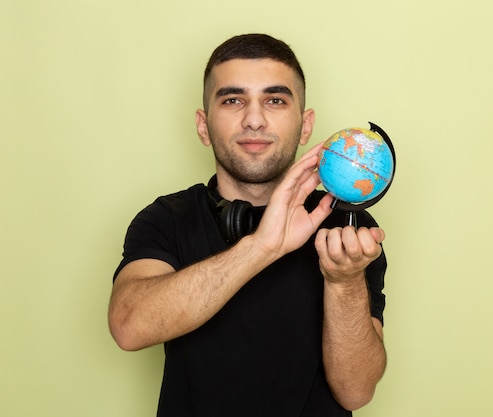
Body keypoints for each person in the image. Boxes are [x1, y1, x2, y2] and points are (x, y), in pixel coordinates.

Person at [109, 33, 388, 417]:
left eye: (275, 100)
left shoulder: (347, 230)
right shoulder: (166, 218)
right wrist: (261, 247)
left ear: (306, 126)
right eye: (232, 100)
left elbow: (356, 392)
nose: (254, 119)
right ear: (203, 126)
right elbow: (128, 326)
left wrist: (344, 282)